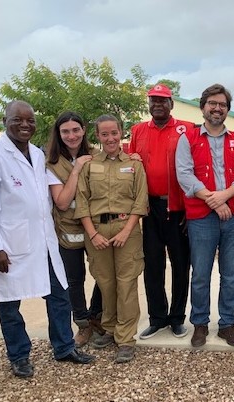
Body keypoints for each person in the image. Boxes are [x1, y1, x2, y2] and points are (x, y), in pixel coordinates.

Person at [0, 100, 95, 378]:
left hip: (44, 240)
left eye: (29, 120)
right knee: (9, 303)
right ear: (4, 122)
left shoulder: (37, 153)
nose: (24, 125)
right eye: (17, 120)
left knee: (59, 295)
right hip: (9, 244)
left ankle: (64, 347)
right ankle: (19, 355)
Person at [176, 83, 234, 348]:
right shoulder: (188, 139)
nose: (217, 108)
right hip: (201, 218)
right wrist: (214, 200)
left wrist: (225, 195)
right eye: (212, 103)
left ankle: (227, 324)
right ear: (203, 107)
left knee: (231, 274)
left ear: (227, 110)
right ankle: (200, 323)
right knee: (200, 273)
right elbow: (185, 175)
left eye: (222, 104)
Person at [75, 114, 148, 363]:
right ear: (97, 135)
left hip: (126, 228)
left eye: (114, 133)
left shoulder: (134, 164)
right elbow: (82, 201)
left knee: (127, 283)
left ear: (121, 133)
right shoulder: (88, 164)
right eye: (104, 134)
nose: (110, 138)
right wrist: (92, 233)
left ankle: (126, 339)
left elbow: (141, 201)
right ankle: (109, 327)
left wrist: (127, 230)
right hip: (96, 231)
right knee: (105, 282)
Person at [129, 84, 195, 340]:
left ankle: (177, 318)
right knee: (153, 265)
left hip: (178, 207)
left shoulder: (186, 129)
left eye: (163, 100)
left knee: (181, 264)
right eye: (153, 100)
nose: (157, 104)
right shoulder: (138, 130)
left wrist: (192, 209)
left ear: (171, 104)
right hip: (150, 208)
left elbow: (195, 169)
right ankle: (157, 317)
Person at [46, 111, 104, 347]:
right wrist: (77, 169)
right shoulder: (51, 163)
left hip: (97, 227)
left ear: (84, 131)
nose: (71, 136)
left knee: (103, 274)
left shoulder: (97, 156)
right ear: (58, 134)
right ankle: (82, 323)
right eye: (65, 131)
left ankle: (97, 316)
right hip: (67, 229)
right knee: (74, 278)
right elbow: (61, 201)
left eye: (75, 130)